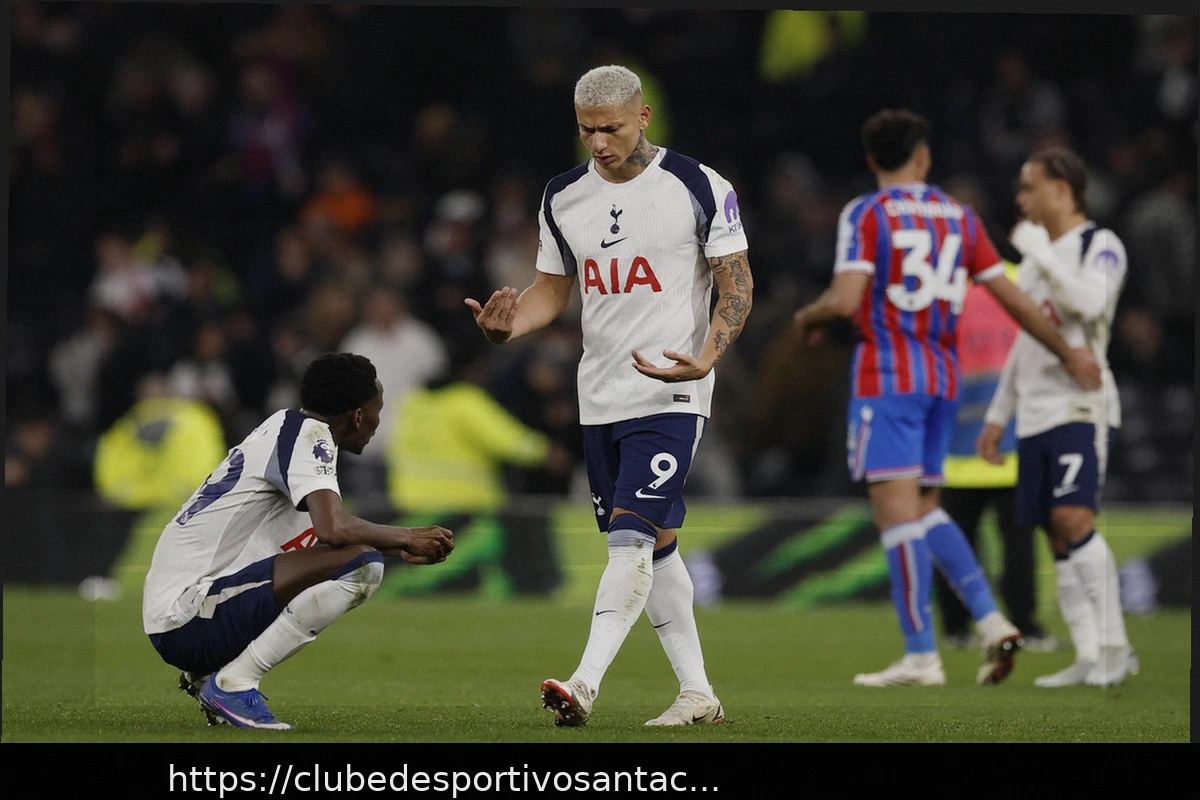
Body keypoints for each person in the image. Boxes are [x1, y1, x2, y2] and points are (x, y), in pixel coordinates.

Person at [466, 65, 752, 726]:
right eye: (588, 130)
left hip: (673, 390)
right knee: (658, 542)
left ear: (644, 117)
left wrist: (707, 357)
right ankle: (697, 694)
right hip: (601, 394)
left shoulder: (700, 186)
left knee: (630, 540)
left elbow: (736, 285)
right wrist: (510, 326)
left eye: (612, 128)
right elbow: (552, 290)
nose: (598, 142)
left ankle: (584, 683)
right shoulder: (563, 196)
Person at [792, 109, 1102, 687]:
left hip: (886, 376)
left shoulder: (865, 213)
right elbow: (1010, 296)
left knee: (896, 518)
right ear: (923, 156)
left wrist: (809, 316)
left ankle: (920, 656)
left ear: (870, 160)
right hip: (942, 379)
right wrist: (1067, 350)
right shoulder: (958, 217)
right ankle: (990, 621)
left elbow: (845, 299)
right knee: (927, 510)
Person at [141, 353, 455, 730]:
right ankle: (234, 685)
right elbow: (334, 531)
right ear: (358, 415)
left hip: (184, 615)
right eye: (377, 409)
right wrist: (405, 535)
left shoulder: (288, 428)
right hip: (189, 617)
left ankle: (209, 675)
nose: (377, 421)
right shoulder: (310, 437)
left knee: (353, 552)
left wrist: (400, 546)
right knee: (364, 566)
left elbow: (318, 537)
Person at [979, 146, 1136, 688]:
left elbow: (1089, 306)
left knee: (1075, 520)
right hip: (1037, 413)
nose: (1021, 199)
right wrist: (999, 416)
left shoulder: (1099, 244)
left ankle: (1118, 647)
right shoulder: (1038, 256)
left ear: (1063, 190)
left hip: (1080, 405)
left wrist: (1039, 257)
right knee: (1056, 535)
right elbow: (1027, 341)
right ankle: (1089, 654)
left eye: (1030, 187)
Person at [934, 266, 1058, 653]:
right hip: (1013, 445)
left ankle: (957, 630)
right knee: (1018, 546)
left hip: (954, 448)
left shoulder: (939, 285)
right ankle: (1026, 628)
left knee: (955, 546)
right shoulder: (1023, 282)